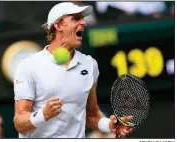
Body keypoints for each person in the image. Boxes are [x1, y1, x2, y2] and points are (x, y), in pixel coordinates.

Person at [13, 2, 134, 138]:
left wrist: (109, 125)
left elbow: (92, 115)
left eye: (82, 18)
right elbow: (19, 123)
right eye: (75, 19)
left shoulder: (89, 64)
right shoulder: (28, 65)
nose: (83, 22)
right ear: (58, 25)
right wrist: (43, 114)